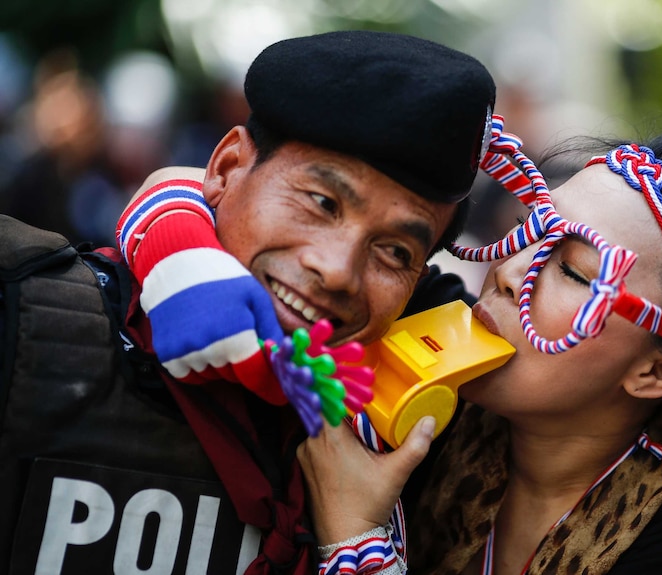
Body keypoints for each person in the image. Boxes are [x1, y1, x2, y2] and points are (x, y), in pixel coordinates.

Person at [0, 30, 501, 574]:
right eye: (321, 201)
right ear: (225, 168)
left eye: (394, 251)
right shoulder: (24, 312)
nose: (337, 271)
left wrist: (358, 541)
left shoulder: (415, 429)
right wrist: (174, 237)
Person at [296, 127, 662, 574]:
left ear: (658, 370)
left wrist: (356, 541)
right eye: (529, 228)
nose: (510, 273)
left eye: (573, 272)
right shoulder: (428, 333)